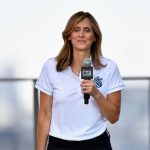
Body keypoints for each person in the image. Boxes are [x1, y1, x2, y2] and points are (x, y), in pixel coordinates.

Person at [35, 11, 125, 150]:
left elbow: (113, 117)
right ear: (69, 36)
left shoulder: (109, 68)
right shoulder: (50, 67)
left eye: (87, 30)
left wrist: (96, 94)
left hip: (96, 143)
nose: (81, 35)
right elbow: (45, 114)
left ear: (94, 36)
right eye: (76, 30)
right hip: (59, 144)